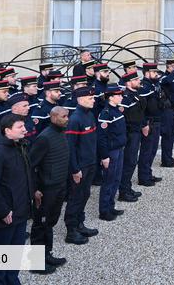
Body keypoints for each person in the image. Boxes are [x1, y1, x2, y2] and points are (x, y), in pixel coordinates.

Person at [0, 114, 33, 285]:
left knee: (16, 251)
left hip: (21, 209)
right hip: (6, 214)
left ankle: (12, 280)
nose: (25, 130)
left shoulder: (19, 146)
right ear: (7, 131)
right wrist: (3, 211)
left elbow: (25, 175)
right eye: (20, 127)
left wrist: (33, 194)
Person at [28, 106, 70, 270]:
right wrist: (35, 190)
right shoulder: (44, 138)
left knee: (50, 222)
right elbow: (31, 165)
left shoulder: (61, 134)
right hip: (46, 189)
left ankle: (47, 254)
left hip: (59, 186)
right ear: (53, 117)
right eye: (63, 116)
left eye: (67, 116)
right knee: (41, 223)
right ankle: (36, 262)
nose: (67, 119)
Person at [63, 86, 99, 245]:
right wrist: (75, 169)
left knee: (85, 194)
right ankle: (71, 230)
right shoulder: (75, 119)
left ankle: (79, 224)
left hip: (90, 163)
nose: (94, 100)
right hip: (80, 166)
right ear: (80, 99)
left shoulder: (89, 115)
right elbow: (70, 148)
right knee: (76, 197)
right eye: (90, 98)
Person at [97, 85, 126, 222]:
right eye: (118, 95)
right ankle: (104, 210)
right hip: (111, 151)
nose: (121, 97)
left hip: (119, 149)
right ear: (111, 97)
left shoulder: (116, 110)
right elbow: (101, 138)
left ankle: (110, 206)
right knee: (108, 181)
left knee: (116, 179)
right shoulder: (106, 114)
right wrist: (104, 156)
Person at [118, 71, 146, 203]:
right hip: (129, 134)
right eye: (136, 80)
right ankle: (123, 192)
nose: (139, 81)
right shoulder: (125, 98)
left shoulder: (136, 94)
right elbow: (122, 118)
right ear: (128, 83)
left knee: (132, 162)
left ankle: (127, 188)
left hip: (136, 132)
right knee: (128, 162)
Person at [137, 63, 163, 188]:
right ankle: (143, 177)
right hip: (149, 122)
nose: (156, 74)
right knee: (146, 151)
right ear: (147, 73)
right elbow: (141, 109)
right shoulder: (144, 87)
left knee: (152, 150)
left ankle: (148, 173)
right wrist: (144, 124)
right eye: (154, 72)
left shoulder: (153, 85)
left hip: (156, 120)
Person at [159, 60, 174, 168]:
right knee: (167, 134)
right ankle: (166, 160)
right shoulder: (164, 77)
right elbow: (167, 81)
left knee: (172, 134)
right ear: (168, 66)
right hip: (167, 110)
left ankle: (169, 157)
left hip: (173, 110)